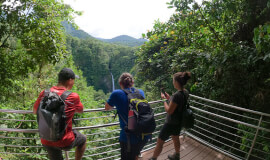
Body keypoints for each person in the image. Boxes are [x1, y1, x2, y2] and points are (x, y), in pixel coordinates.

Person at [33, 68, 86, 160]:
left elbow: (35, 110)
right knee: (83, 139)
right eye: (73, 80)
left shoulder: (45, 93)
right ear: (70, 80)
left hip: (46, 139)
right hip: (64, 140)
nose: (73, 82)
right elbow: (81, 110)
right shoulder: (73, 96)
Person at [105, 72, 149, 160]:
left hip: (128, 138)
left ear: (120, 84)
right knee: (134, 155)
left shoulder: (116, 93)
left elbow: (107, 108)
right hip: (144, 135)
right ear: (132, 82)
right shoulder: (140, 92)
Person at [149, 72, 191, 160]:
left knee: (160, 141)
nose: (173, 82)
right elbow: (178, 104)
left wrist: (164, 100)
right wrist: (169, 98)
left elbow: (169, 111)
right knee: (175, 138)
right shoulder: (185, 92)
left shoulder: (176, 95)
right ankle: (177, 155)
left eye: (173, 80)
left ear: (176, 82)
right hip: (178, 122)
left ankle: (153, 158)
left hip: (170, 123)